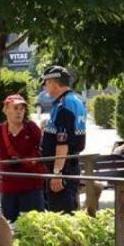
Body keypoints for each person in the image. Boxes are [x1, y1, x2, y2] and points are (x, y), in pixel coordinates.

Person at [39, 65, 87, 213]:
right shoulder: (76, 101)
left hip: (63, 169)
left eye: (46, 84)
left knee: (61, 216)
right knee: (68, 212)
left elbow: (63, 143)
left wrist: (57, 173)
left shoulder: (64, 105)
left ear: (53, 82)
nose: (45, 88)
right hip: (69, 166)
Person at [0, 94, 46, 222]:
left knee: (34, 227)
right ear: (6, 109)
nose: (19, 112)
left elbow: (44, 151)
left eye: (22, 108)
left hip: (32, 186)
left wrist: (32, 160)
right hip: (8, 188)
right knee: (10, 228)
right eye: (15, 108)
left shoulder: (31, 128)